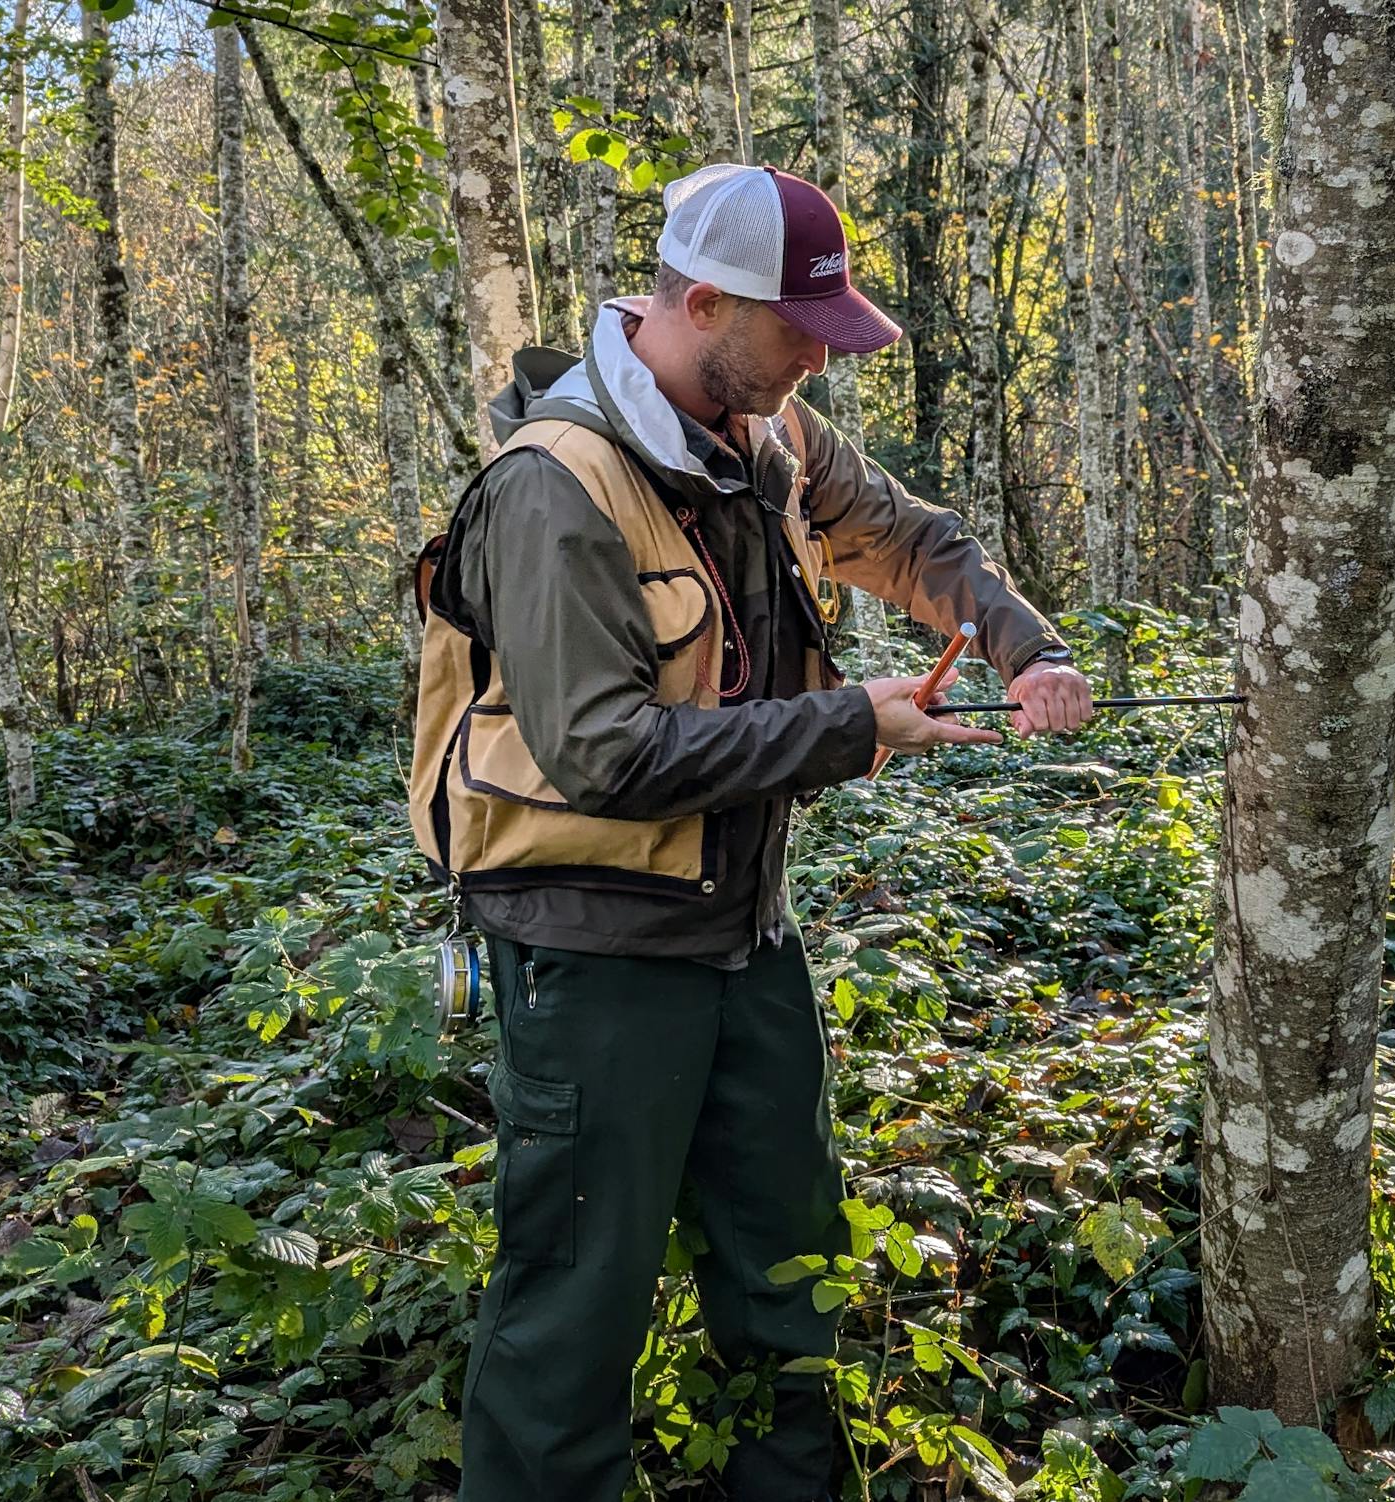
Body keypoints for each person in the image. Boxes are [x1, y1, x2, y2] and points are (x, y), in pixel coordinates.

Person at [408, 161, 1094, 1501]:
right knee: (570, 1324)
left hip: (744, 940)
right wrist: (851, 723)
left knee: (792, 1285)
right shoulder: (558, 485)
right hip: (591, 959)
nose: (813, 364)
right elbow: (605, 756)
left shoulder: (763, 435)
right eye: (799, 332)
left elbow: (908, 537)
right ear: (706, 302)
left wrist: (1023, 643)